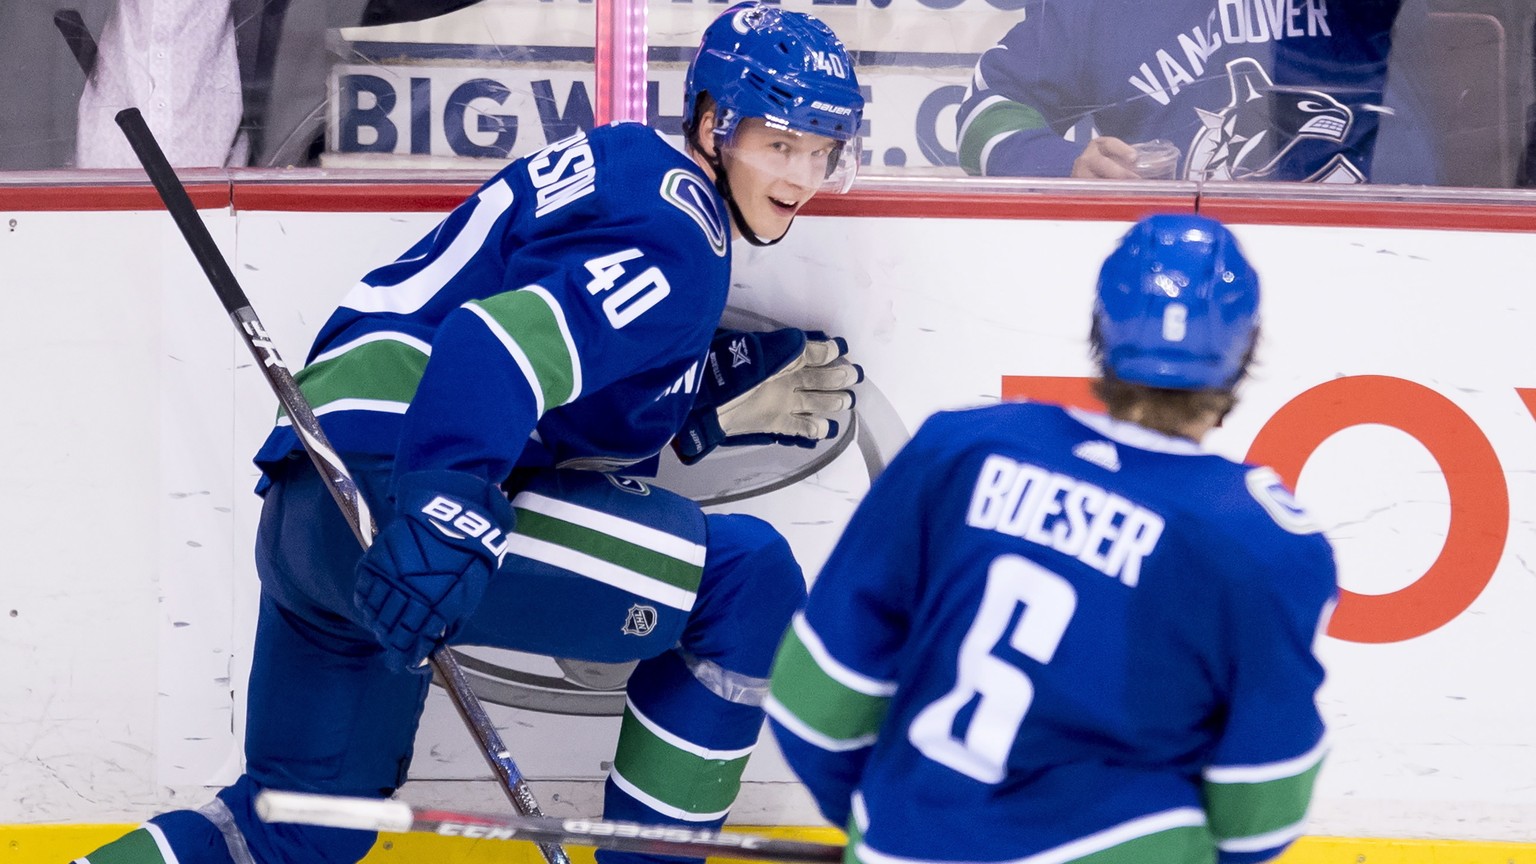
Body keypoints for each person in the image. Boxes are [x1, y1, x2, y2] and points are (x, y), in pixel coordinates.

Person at [73, 4, 864, 864]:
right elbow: (494, 345)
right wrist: (446, 507)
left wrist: (694, 397)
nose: (801, 177)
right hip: (401, 478)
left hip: (314, 489)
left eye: (822, 152)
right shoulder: (684, 233)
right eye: (779, 145)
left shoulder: (622, 162)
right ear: (713, 124)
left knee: (289, 828)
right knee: (746, 580)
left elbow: (563, 367)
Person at [765, 214, 1339, 864]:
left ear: (1100, 333)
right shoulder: (1261, 540)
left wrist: (883, 824)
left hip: (906, 838)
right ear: (1246, 352)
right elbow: (1257, 812)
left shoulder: (960, 447)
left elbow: (816, 697)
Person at [954, 0, 1409, 183]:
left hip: (1374, 263)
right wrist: (1066, 168)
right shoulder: (1098, 7)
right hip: (1170, 281)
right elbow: (986, 110)